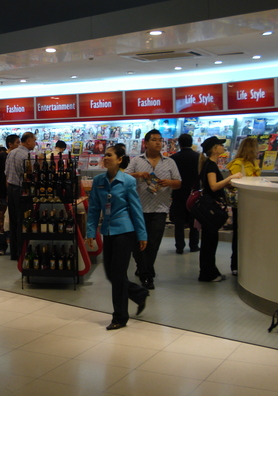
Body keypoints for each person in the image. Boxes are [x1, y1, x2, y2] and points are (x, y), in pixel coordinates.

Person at [86, 144, 149, 330]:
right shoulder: (98, 181)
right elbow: (94, 209)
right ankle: (139, 293)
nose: (105, 158)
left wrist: (141, 234)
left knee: (118, 275)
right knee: (110, 274)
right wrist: (91, 232)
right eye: (104, 155)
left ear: (120, 160)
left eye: (110, 155)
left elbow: (136, 209)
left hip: (125, 231)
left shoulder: (128, 181)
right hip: (107, 231)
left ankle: (120, 317)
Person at [125, 129, 181, 290]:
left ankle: (146, 275)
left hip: (160, 209)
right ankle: (145, 269)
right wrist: (138, 174)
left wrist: (169, 183)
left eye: (160, 140)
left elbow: (179, 183)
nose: (158, 142)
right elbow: (125, 177)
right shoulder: (137, 160)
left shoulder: (170, 162)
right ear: (146, 143)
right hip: (138, 209)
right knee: (138, 244)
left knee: (153, 244)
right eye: (154, 139)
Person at [198, 136, 243, 282]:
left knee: (209, 242)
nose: (223, 147)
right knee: (209, 242)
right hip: (211, 209)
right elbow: (213, 186)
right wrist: (230, 178)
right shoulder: (210, 165)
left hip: (208, 208)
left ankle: (210, 271)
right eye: (220, 145)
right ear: (214, 148)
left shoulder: (209, 164)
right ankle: (208, 273)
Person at [227, 137, 260, 275]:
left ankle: (238, 264)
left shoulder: (248, 163)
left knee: (241, 234)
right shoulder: (239, 164)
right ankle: (236, 264)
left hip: (246, 203)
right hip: (243, 203)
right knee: (240, 234)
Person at [4, 131, 36, 261]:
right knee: (23, 221)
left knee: (14, 221)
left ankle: (14, 253)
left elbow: (6, 173)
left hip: (11, 189)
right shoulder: (26, 156)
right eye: (34, 141)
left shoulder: (11, 153)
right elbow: (30, 175)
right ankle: (22, 251)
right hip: (22, 190)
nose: (35, 143)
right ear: (28, 141)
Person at [170, 134, 200, 254]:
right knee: (194, 220)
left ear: (179, 144)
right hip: (194, 192)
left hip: (179, 191)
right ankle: (194, 245)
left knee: (179, 221)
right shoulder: (198, 157)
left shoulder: (174, 158)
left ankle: (179, 246)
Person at [0, 134, 20, 255]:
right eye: (17, 142)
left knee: (11, 219)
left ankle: (11, 244)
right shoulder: (2, 157)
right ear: (10, 144)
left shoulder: (14, 156)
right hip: (4, 193)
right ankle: (1, 247)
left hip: (12, 192)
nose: (19, 145)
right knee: (3, 219)